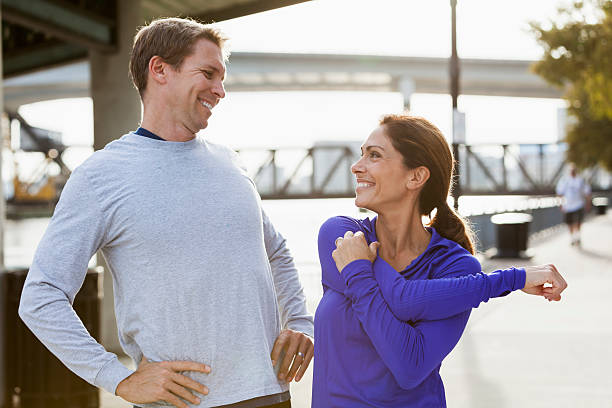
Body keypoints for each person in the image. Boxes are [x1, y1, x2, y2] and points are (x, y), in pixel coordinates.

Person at [19, 18, 314, 408]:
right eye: (208, 73)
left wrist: (298, 320)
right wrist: (118, 378)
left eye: (222, 78)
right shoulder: (101, 176)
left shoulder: (230, 162)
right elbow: (41, 296)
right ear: (159, 70)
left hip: (271, 396)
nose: (220, 90)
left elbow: (275, 251)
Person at [312, 114, 567, 407]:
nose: (356, 167)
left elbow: (410, 367)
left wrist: (359, 272)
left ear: (416, 177)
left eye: (374, 155)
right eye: (362, 155)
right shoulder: (340, 236)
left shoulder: (456, 266)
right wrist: (512, 279)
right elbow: (401, 298)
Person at [556, 163, 591, 246]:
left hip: (579, 204)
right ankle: (572, 237)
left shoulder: (581, 180)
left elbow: (587, 193)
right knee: (570, 223)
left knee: (578, 221)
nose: (572, 171)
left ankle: (577, 236)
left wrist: (588, 203)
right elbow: (559, 193)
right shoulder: (565, 180)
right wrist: (560, 204)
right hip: (568, 206)